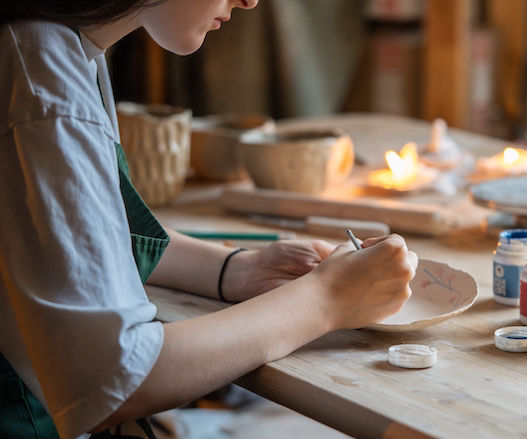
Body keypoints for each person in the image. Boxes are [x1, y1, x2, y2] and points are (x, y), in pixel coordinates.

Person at [0, 1, 418, 438]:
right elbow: (111, 380)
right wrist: (325, 300)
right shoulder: (41, 81)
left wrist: (237, 269)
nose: (250, 0)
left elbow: (85, 240)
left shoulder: (59, 45)